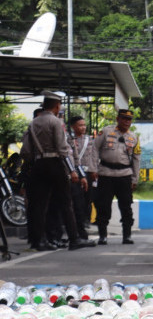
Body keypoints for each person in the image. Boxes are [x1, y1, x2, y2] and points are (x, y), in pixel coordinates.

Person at [19, 91, 95, 251]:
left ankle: (39, 241)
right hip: (55, 163)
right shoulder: (56, 122)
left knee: (40, 204)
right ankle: (74, 239)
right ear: (57, 106)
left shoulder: (33, 123)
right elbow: (62, 149)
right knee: (66, 202)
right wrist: (72, 170)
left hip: (39, 164)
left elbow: (26, 150)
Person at [94, 109, 142, 245]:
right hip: (105, 174)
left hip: (124, 175)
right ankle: (102, 236)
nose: (127, 122)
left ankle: (127, 235)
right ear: (117, 119)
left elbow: (137, 159)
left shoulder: (134, 137)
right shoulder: (106, 132)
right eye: (124, 118)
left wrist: (134, 179)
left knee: (126, 206)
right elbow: (94, 149)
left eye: (129, 119)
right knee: (103, 206)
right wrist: (93, 169)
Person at [68, 115, 97, 241]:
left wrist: (95, 170)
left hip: (88, 173)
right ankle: (78, 224)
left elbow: (94, 156)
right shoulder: (69, 139)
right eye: (80, 125)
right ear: (73, 127)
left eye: (84, 125)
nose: (83, 127)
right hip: (74, 173)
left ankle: (85, 220)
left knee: (87, 199)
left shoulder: (90, 140)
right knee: (76, 201)